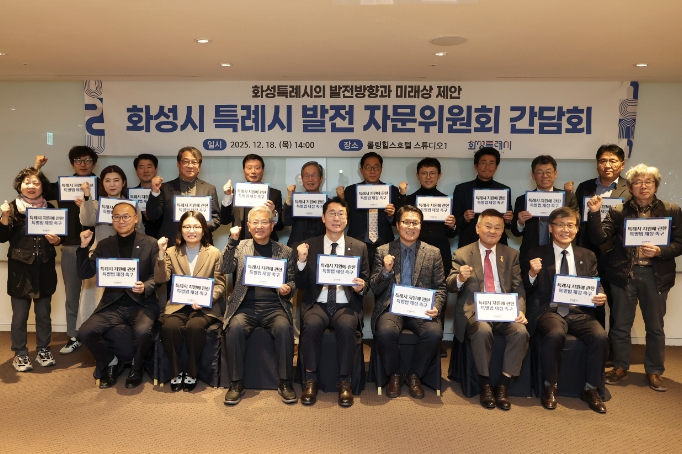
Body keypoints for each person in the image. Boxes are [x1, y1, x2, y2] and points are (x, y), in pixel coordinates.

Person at [587, 164, 682, 392]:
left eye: (648, 182)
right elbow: (599, 238)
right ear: (630, 187)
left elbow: (679, 243)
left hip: (656, 275)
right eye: (637, 182)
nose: (643, 186)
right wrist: (594, 213)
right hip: (624, 274)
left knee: (655, 327)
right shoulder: (619, 210)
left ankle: (654, 371)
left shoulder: (671, 209)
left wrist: (660, 251)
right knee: (620, 325)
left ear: (656, 186)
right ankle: (620, 367)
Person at [523, 207, 608, 413]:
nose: (565, 229)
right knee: (555, 333)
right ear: (551, 228)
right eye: (560, 225)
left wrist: (600, 295)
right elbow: (525, 288)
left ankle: (591, 388)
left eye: (570, 225)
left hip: (579, 311)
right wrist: (532, 274)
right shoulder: (535, 253)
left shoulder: (587, 255)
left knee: (600, 336)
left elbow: (595, 284)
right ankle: (550, 386)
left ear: (577, 229)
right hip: (549, 310)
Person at [447, 209, 529, 411]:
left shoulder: (511, 254)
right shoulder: (462, 253)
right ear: (477, 228)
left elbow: (518, 288)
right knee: (482, 330)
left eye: (497, 228)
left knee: (520, 332)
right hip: (475, 311)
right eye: (488, 226)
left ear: (502, 231)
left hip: (504, 310)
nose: (492, 231)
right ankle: (485, 384)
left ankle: (503, 385)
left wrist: (520, 310)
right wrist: (460, 278)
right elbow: (450, 285)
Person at [295, 197, 369, 407]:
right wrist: (301, 261)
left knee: (347, 327)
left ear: (347, 219)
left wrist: (361, 286)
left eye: (341, 214)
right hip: (317, 303)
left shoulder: (359, 247)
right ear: (323, 217)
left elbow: (366, 281)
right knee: (311, 325)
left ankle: (345, 381)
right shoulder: (310, 245)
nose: (336, 218)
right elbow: (300, 284)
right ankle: (311, 379)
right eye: (332, 213)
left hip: (345, 304)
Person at [77, 203, 160, 389]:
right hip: (112, 304)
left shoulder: (150, 243)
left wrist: (145, 286)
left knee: (142, 331)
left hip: (142, 304)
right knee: (85, 332)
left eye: (126, 216)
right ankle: (111, 361)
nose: (121, 221)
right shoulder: (104, 244)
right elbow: (85, 273)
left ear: (135, 219)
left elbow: (159, 277)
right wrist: (83, 247)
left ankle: (137, 368)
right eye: (117, 217)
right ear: (112, 219)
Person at [221, 206, 297, 405]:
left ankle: (285, 382)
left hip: (275, 306)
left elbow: (292, 280)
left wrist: (288, 288)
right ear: (248, 225)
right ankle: (236, 383)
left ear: (272, 225)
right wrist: (232, 241)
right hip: (245, 306)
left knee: (284, 328)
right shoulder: (239, 246)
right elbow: (224, 267)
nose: (259, 226)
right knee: (235, 328)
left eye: (264, 222)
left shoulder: (285, 251)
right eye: (255, 222)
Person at [369, 205, 445, 399]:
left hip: (421, 309)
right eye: (406, 222)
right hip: (391, 307)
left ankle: (414, 375)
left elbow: (440, 287)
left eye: (415, 223)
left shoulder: (433, 252)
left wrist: (436, 306)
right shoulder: (383, 251)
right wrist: (385, 271)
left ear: (421, 226)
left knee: (434, 333)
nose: (411, 227)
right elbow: (375, 288)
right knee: (385, 332)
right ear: (397, 224)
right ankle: (394, 374)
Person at [34, 147, 97, 355]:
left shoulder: (102, 185)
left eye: (87, 160)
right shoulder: (64, 185)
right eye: (78, 160)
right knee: (73, 293)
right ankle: (73, 335)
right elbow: (39, 188)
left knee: (98, 293)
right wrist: (37, 167)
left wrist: (88, 204)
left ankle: (96, 334)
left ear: (93, 163)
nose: (83, 164)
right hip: (71, 246)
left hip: (98, 246)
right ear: (72, 163)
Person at [155, 211, 225, 392]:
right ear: (181, 230)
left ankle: (192, 372)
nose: (191, 231)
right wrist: (161, 253)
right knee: (170, 327)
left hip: (204, 307)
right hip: (178, 305)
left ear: (203, 230)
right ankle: (176, 372)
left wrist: (206, 299)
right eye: (187, 226)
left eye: (196, 226)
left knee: (195, 327)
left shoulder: (214, 253)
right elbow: (161, 278)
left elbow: (220, 284)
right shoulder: (171, 252)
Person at [0, 167, 62, 372]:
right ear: (20, 185)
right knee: (20, 316)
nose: (31, 186)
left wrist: (56, 240)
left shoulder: (51, 208)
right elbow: (2, 237)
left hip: (44, 268)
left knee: (43, 314)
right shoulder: (11, 207)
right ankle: (20, 353)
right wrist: (4, 217)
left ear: (43, 186)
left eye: (36, 182)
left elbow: (60, 236)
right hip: (20, 270)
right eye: (27, 182)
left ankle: (43, 349)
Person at [572, 144, 631, 331]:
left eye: (613, 161)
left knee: (616, 304)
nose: (607, 165)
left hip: (617, 255)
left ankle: (614, 345)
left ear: (622, 165)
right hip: (588, 253)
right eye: (603, 161)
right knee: (591, 301)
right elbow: (576, 220)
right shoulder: (585, 187)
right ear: (597, 164)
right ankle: (595, 342)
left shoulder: (630, 189)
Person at [77, 165, 144, 328]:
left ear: (123, 182)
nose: (112, 184)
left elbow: (140, 230)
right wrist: (87, 196)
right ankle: (88, 331)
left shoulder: (131, 205)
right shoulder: (95, 203)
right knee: (93, 298)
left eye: (116, 180)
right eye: (107, 181)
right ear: (102, 184)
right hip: (99, 255)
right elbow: (86, 220)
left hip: (126, 257)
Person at [401, 157, 455, 357]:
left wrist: (453, 225)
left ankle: (435, 339)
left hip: (440, 254)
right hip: (414, 253)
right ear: (418, 176)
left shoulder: (447, 200)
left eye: (432, 173)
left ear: (439, 175)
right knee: (415, 287)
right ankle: (413, 334)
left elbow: (453, 233)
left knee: (439, 293)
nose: (428, 177)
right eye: (424, 173)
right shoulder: (409, 200)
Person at [336, 151, 407, 266]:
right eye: (368, 167)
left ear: (381, 169)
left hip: (384, 245)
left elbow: (398, 222)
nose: (372, 171)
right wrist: (342, 199)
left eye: (376, 167)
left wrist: (391, 215)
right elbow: (344, 219)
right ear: (361, 170)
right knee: (358, 277)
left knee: (384, 275)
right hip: (356, 245)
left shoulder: (391, 190)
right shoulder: (351, 191)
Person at [511, 155, 578, 266]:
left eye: (548, 172)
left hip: (561, 253)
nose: (545, 176)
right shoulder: (522, 200)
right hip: (530, 254)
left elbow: (576, 226)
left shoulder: (568, 198)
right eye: (540, 172)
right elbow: (516, 232)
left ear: (555, 174)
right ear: (533, 176)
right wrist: (520, 223)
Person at [146, 147, 221, 243]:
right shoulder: (164, 188)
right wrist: (155, 191)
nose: (190, 166)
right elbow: (152, 216)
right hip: (171, 243)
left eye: (194, 162)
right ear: (178, 164)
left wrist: (198, 227)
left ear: (199, 166)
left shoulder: (209, 189)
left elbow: (216, 219)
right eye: (186, 161)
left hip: (202, 244)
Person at [453, 147, 513, 248]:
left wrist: (508, 220)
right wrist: (464, 219)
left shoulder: (504, 190)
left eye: (491, 163)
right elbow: (454, 221)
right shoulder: (462, 189)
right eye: (483, 162)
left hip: (497, 243)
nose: (487, 167)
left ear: (496, 167)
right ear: (476, 166)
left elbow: (509, 223)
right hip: (469, 243)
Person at [221, 153, 285, 241]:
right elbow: (224, 220)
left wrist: (273, 213)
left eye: (257, 168)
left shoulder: (274, 194)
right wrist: (227, 196)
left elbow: (280, 226)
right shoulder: (236, 193)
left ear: (263, 170)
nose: (253, 171)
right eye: (249, 168)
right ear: (244, 171)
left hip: (266, 244)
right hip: (239, 242)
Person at [283, 161, 327, 247]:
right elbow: (287, 221)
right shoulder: (296, 200)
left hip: (321, 248)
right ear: (302, 179)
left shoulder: (328, 203)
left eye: (314, 175)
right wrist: (289, 198)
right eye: (307, 176)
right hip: (296, 247)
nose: (310, 179)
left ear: (321, 178)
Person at [132, 153, 163, 239]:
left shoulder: (165, 193)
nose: (145, 171)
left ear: (156, 169)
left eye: (149, 167)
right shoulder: (130, 194)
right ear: (136, 171)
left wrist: (153, 214)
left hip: (159, 239)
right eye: (141, 167)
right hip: (136, 239)